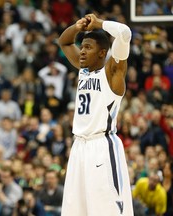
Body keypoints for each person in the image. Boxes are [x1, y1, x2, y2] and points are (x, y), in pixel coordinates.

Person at [58, 14, 133, 215]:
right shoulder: (84, 71)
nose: (81, 51)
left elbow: (125, 33)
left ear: (102, 53)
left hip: (101, 146)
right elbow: (64, 42)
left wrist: (99, 23)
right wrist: (77, 27)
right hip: (78, 147)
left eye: (88, 48)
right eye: (82, 47)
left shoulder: (112, 72)